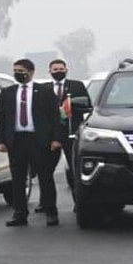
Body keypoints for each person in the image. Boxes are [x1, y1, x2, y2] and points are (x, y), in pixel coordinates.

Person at [0, 59, 61, 227]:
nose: (17, 73)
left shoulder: (45, 92)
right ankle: (20, 213)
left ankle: (51, 212)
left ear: (31, 72)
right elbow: (2, 118)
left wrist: (55, 139)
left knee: (45, 177)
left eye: (21, 70)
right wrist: (0, 140)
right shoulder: (8, 92)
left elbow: (55, 117)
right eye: (15, 70)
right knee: (18, 179)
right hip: (16, 140)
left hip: (38, 140)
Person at [48, 58, 91, 188]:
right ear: (49, 71)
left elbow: (88, 105)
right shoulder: (44, 88)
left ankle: (78, 200)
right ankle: (46, 203)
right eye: (55, 69)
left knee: (74, 168)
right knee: (46, 170)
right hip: (51, 135)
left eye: (61, 69)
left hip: (71, 132)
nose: (58, 72)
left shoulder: (77, 85)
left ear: (66, 70)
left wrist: (71, 105)